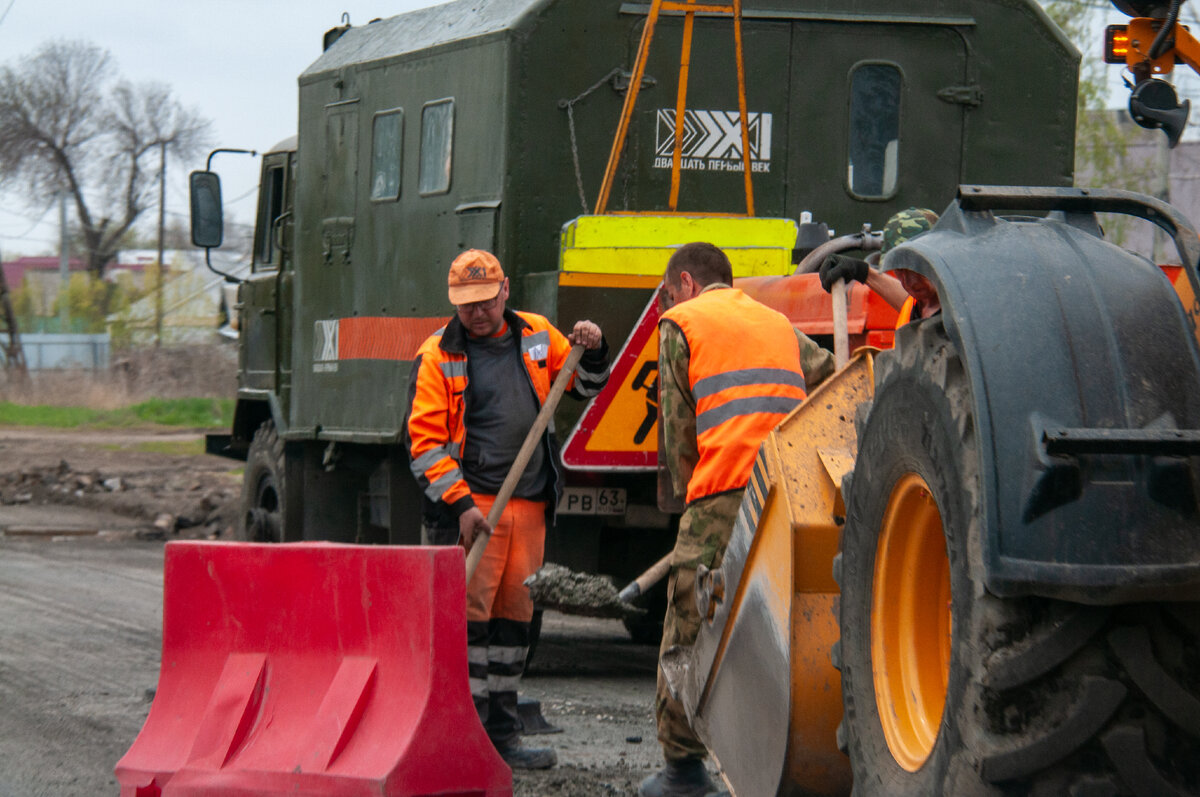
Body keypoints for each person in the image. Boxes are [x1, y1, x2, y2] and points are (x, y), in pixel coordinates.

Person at [640, 242, 834, 797]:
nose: (665, 304)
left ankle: (683, 770)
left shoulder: (682, 322)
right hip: (789, 490)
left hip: (720, 493)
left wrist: (686, 505)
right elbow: (828, 379)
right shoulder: (776, 322)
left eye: (666, 293)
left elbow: (678, 430)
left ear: (685, 283)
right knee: (770, 623)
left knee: (689, 622)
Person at [405, 249, 610, 770]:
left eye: (484, 301)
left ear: (505, 291)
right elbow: (424, 444)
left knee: (515, 619)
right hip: (474, 506)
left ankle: (502, 733)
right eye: (465, 304)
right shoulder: (437, 355)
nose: (476, 313)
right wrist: (459, 506)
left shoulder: (537, 334)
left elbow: (584, 386)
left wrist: (594, 346)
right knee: (467, 622)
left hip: (529, 503)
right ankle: (465, 736)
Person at [818, 207, 941, 324]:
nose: (910, 281)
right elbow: (907, 303)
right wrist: (861, 271)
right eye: (899, 269)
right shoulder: (919, 306)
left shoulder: (958, 311)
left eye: (916, 267)